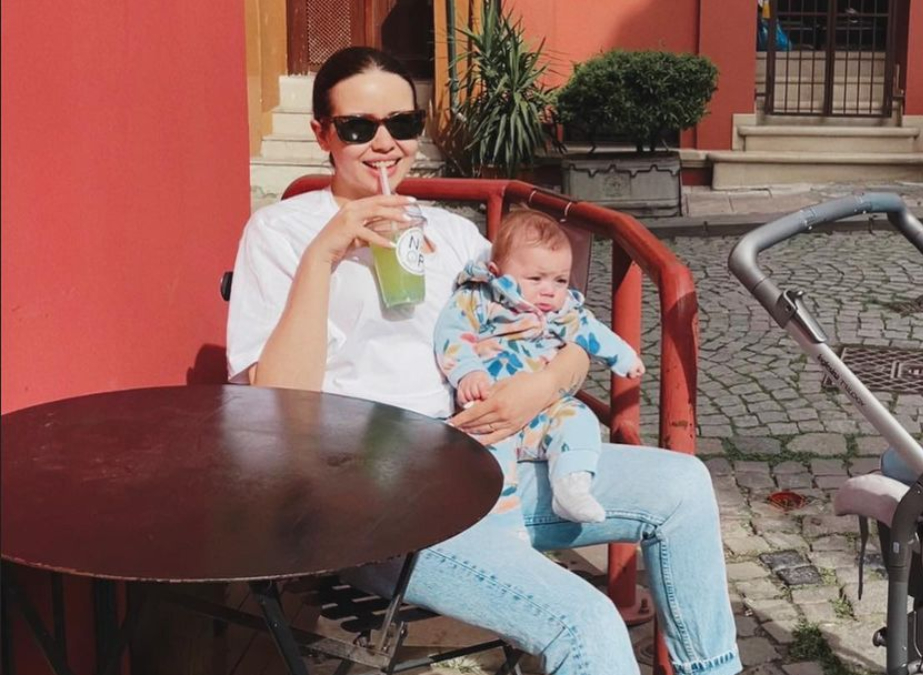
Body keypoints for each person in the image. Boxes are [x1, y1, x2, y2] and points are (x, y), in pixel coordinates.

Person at [226, 46, 741, 675]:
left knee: (683, 486)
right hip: (371, 503)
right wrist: (324, 255)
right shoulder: (282, 234)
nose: (384, 143)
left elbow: (567, 336)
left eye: (402, 123)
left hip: (484, 464)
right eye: (359, 127)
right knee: (585, 620)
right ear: (322, 135)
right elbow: (276, 403)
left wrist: (543, 386)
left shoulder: (451, 236)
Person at [434, 210, 646, 525]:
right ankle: (501, 524)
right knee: (489, 459)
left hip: (542, 411)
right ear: (497, 272)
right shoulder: (480, 297)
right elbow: (453, 333)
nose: (549, 290)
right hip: (490, 406)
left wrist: (623, 357)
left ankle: (571, 487)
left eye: (560, 280)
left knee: (578, 418)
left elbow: (590, 330)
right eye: (536, 278)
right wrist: (468, 372)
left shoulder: (562, 311)